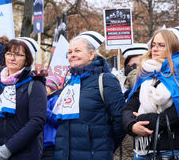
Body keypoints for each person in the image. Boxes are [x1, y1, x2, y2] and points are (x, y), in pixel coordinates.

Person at [122, 28, 179, 159]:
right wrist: (132, 125)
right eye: (153, 45)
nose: (155, 49)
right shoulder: (145, 72)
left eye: (161, 45)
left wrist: (143, 120)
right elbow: (129, 106)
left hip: (174, 149)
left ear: (173, 48)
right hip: (142, 150)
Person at [53, 31, 126, 160]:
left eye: (77, 51)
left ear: (91, 54)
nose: (72, 55)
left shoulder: (106, 80)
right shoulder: (69, 83)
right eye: (70, 52)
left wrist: (105, 146)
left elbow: (120, 119)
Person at [0, 38, 47, 160]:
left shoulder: (35, 85)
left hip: (24, 154)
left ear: (27, 60)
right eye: (9, 54)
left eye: (18, 55)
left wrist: (8, 149)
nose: (12, 58)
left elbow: (37, 122)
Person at [41, 76, 62, 160]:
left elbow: (56, 121)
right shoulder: (44, 99)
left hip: (50, 144)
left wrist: (43, 109)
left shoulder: (56, 99)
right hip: (41, 144)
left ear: (52, 88)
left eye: (46, 87)